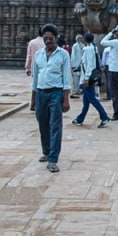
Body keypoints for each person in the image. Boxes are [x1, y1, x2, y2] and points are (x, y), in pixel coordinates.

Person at [29, 23, 72, 173]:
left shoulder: (63, 55)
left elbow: (67, 77)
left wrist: (66, 98)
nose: (48, 41)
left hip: (56, 92)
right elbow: (35, 77)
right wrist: (33, 98)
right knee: (42, 123)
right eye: (45, 38)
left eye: (51, 38)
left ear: (56, 38)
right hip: (41, 92)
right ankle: (46, 151)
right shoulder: (38, 55)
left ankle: (53, 159)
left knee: (55, 125)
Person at [72, 32, 110, 128]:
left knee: (92, 99)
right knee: (86, 101)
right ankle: (80, 119)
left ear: (85, 40)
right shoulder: (93, 48)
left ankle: (104, 117)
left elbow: (90, 65)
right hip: (88, 77)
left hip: (87, 78)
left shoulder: (88, 49)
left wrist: (86, 78)